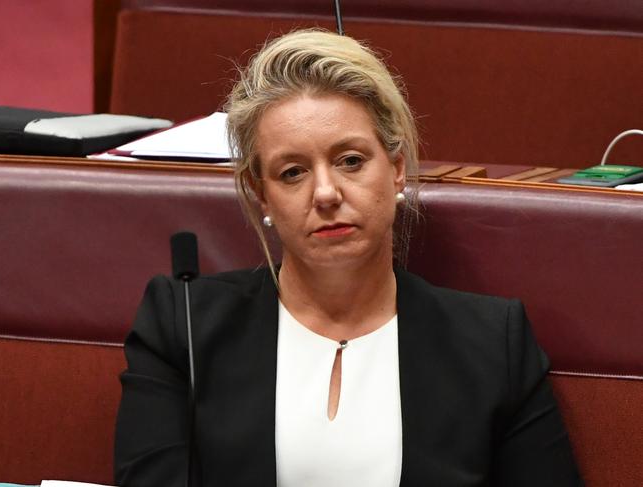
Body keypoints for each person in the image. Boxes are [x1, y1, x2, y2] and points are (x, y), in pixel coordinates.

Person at [114, 29, 582, 486]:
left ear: (396, 169)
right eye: (292, 172)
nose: (325, 193)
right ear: (261, 194)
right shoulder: (184, 327)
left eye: (351, 160)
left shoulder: (492, 344)